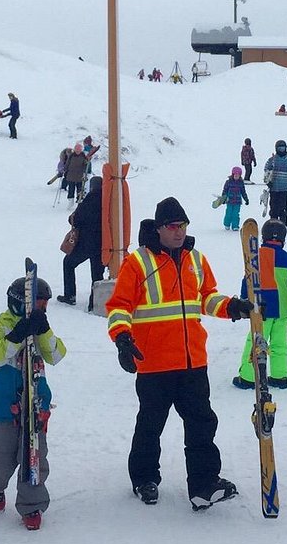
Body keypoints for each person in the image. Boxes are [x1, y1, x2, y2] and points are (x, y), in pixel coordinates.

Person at [106, 196, 253, 509]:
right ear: (159, 228)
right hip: (154, 363)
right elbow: (119, 306)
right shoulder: (138, 262)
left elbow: (207, 298)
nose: (178, 232)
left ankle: (203, 484)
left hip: (192, 362)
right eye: (173, 226)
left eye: (183, 226)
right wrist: (122, 339)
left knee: (202, 424)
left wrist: (232, 307)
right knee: (150, 425)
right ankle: (144, 479)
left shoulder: (196, 259)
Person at [0, 276, 67, 530]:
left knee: (34, 458)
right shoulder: (1, 327)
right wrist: (18, 335)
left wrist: (44, 330)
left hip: (35, 404)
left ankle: (32, 505)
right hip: (4, 406)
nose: (43, 310)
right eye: (39, 305)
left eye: (45, 307)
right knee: (2, 456)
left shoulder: (39, 327)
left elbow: (58, 355)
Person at [232, 219, 287, 391]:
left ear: (263, 237)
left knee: (255, 343)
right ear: (283, 239)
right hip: (283, 312)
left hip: (260, 310)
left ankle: (249, 377)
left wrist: (244, 301)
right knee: (280, 345)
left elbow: (248, 280)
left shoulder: (254, 256)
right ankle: (280, 376)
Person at [59, 175, 104, 306]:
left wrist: (72, 218)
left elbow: (77, 218)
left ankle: (70, 295)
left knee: (68, 263)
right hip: (102, 243)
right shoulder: (108, 200)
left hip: (86, 242)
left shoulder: (90, 198)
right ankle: (94, 303)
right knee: (97, 274)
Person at [263, 139, 287, 228]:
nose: (281, 150)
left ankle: (283, 224)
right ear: (276, 149)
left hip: (284, 188)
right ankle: (273, 223)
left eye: (283, 148)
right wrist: (268, 181)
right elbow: (266, 170)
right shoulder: (272, 160)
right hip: (274, 188)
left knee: (282, 207)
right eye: (280, 148)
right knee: (273, 207)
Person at [218, 167, 248, 231]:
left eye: (238, 175)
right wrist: (223, 199)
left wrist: (246, 199)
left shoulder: (241, 183)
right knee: (228, 213)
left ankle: (235, 226)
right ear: (232, 174)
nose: (236, 176)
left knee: (236, 214)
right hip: (229, 201)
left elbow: (243, 192)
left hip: (237, 202)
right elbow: (225, 191)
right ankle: (227, 224)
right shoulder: (228, 182)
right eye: (235, 175)